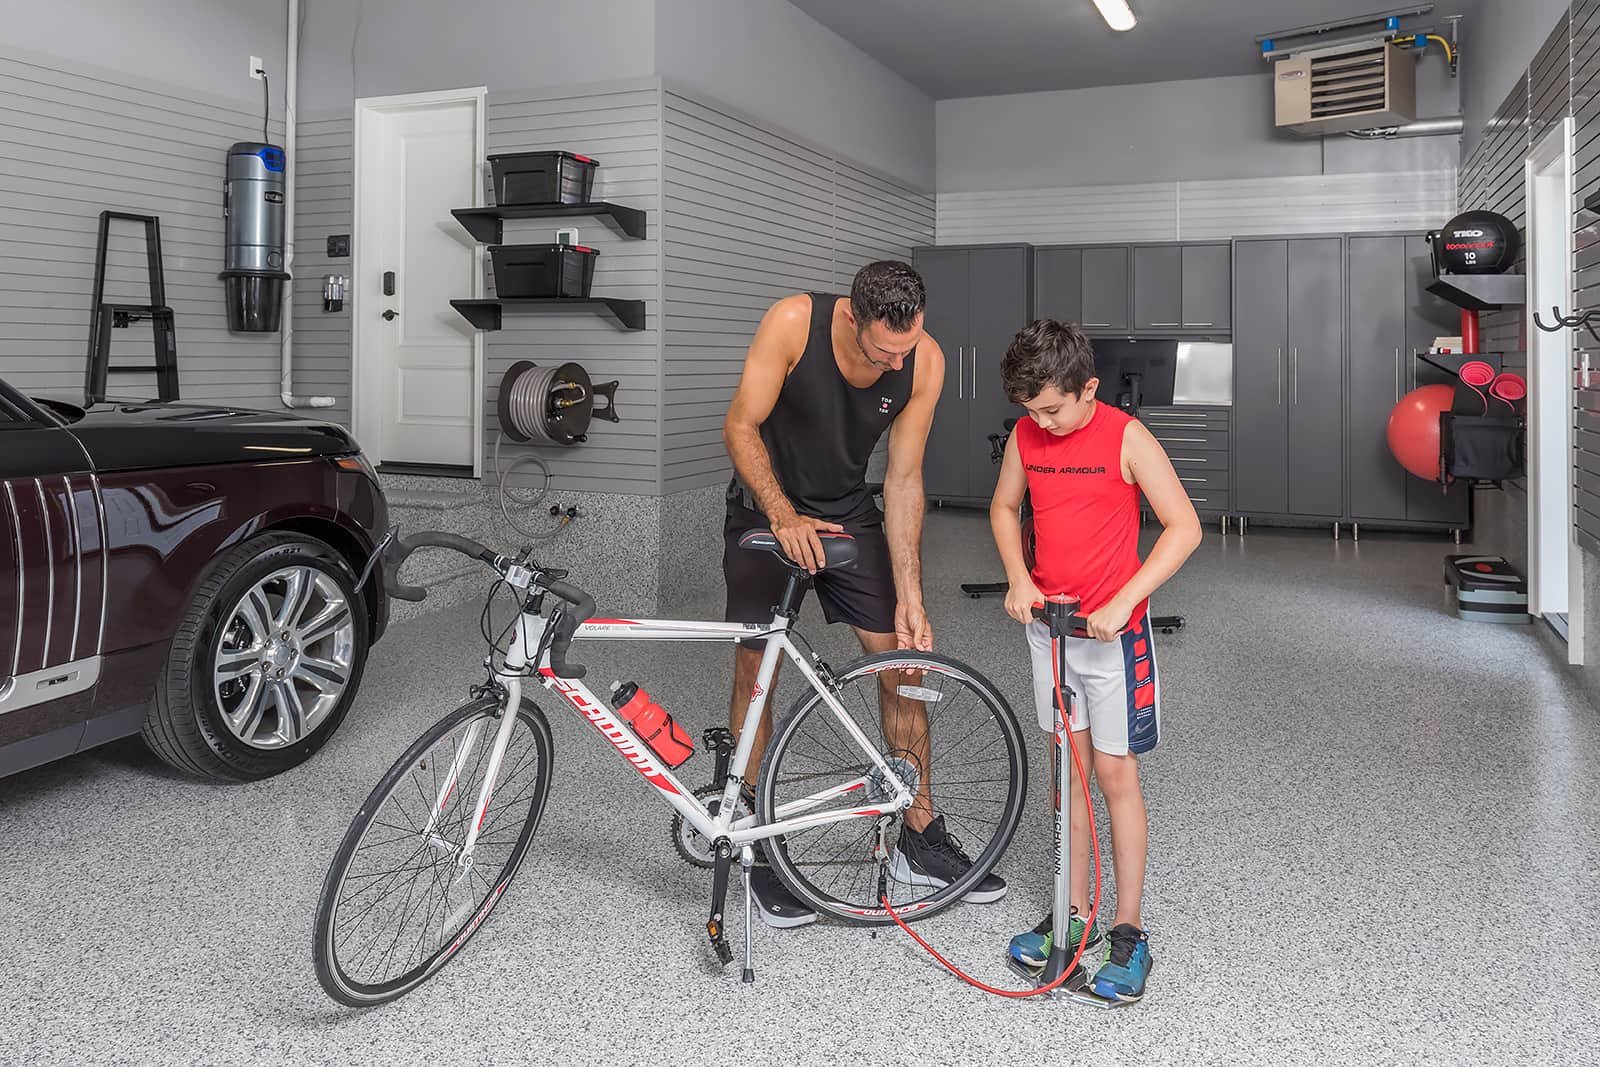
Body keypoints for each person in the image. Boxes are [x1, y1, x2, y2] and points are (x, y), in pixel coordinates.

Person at [721, 260, 1007, 927]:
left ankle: (918, 833)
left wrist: (912, 593)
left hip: (849, 511)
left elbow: (904, 479)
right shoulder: (794, 322)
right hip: (766, 509)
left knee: (903, 664)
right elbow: (740, 425)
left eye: (903, 350)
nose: (892, 363)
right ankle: (757, 846)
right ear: (851, 317)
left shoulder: (924, 361)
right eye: (883, 351)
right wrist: (781, 514)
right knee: (754, 668)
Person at [988, 319, 1201, 1002]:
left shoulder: (1125, 436)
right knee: (1069, 774)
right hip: (1050, 631)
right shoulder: (1026, 435)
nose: (1041, 422)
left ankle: (1129, 931)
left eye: (1052, 407)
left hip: (1113, 637)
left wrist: (1126, 598)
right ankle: (1069, 914)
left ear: (1088, 388)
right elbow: (1002, 506)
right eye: (1029, 410)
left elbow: (1184, 527)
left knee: (1113, 775)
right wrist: (1018, 577)